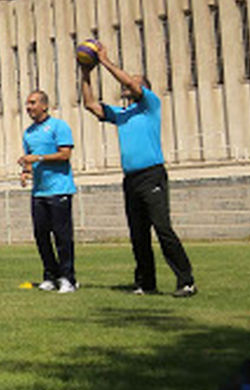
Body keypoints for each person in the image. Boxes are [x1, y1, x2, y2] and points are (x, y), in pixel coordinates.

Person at [81, 43, 197, 297]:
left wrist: (105, 61)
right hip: (131, 179)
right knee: (138, 234)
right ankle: (146, 283)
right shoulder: (122, 114)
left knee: (162, 228)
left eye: (132, 82)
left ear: (143, 88)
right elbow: (90, 104)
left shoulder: (150, 105)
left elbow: (133, 85)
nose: (126, 85)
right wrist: (86, 73)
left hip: (152, 174)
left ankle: (186, 280)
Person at [18, 90, 77, 293]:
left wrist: (39, 158)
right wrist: (25, 171)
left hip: (59, 189)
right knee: (41, 237)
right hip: (39, 192)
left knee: (62, 236)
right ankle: (50, 276)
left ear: (44, 105)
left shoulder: (59, 126)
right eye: (27, 104)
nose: (29, 107)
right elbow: (29, 159)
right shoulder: (28, 133)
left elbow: (65, 154)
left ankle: (68, 278)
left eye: (32, 103)